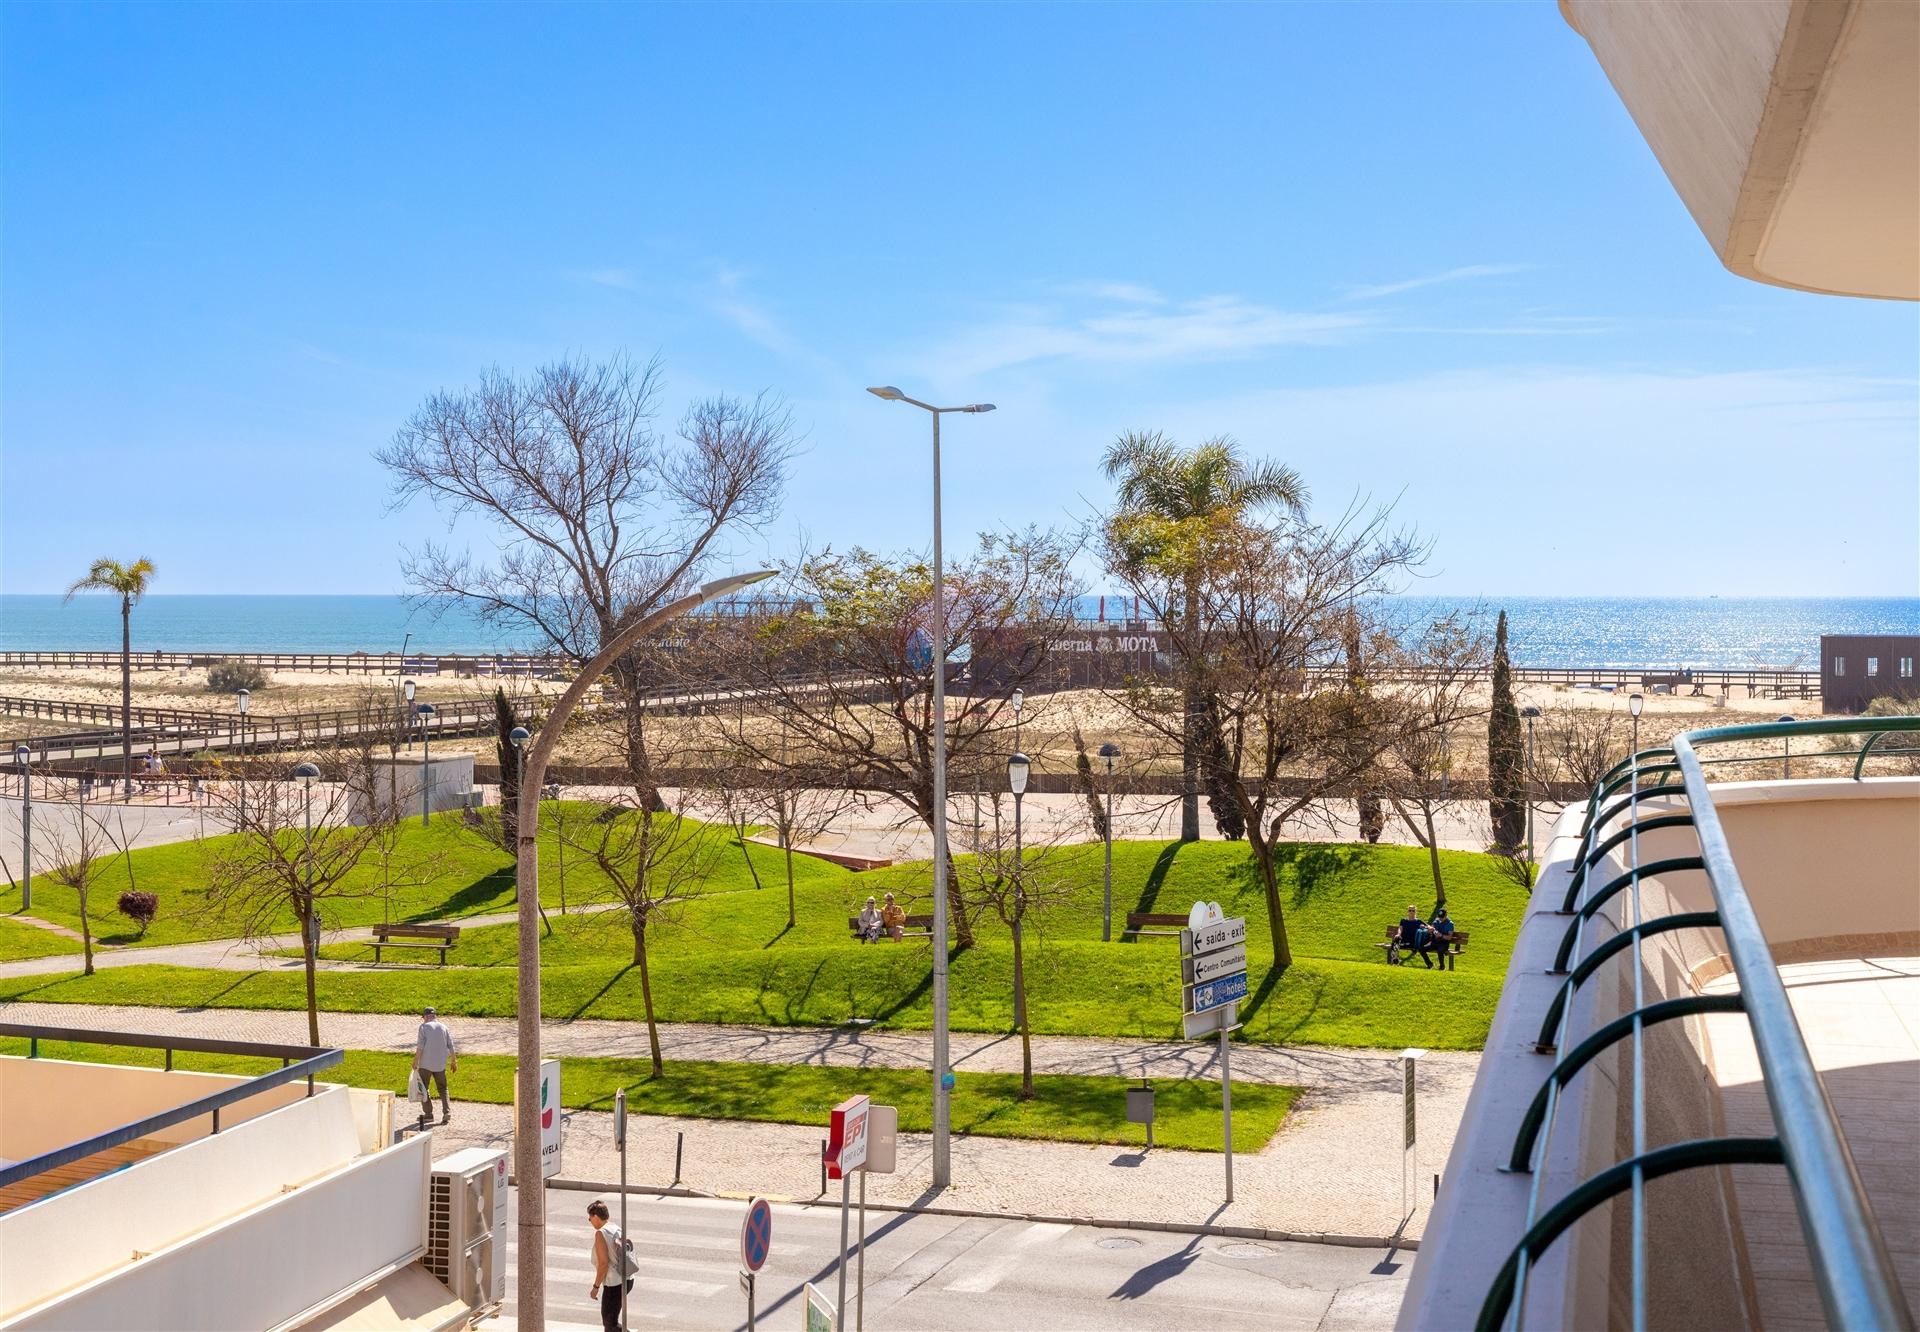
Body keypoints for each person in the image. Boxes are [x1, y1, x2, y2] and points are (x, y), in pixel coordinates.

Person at [587, 1199, 634, 1331]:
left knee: (610, 1323)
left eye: (590, 1218)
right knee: (611, 1322)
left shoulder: (600, 1233)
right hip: (627, 1279)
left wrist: (596, 1286)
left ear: (595, 1216)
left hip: (614, 1283)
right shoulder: (616, 1228)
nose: (589, 1221)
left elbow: (603, 1264)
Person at [412, 1005, 457, 1126]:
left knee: (423, 1088)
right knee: (443, 1088)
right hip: (440, 1064)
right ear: (435, 1016)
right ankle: (447, 1112)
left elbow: (420, 1047)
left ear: (426, 1017)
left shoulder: (423, 1027)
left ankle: (428, 1114)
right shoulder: (444, 1027)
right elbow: (451, 1045)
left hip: (425, 1064)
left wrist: (415, 1061)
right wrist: (454, 1061)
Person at [1396, 904, 1434, 969]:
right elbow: (1400, 928)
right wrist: (1398, 934)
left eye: (1413, 911)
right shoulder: (1403, 920)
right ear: (1407, 912)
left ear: (1415, 912)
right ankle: (1394, 960)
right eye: (1410, 910)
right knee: (1395, 942)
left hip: (1413, 942)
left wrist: (1424, 927)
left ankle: (1429, 964)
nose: (1411, 912)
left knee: (1420, 948)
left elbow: (1431, 928)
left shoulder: (1418, 921)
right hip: (1404, 940)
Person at [1430, 906, 1458, 971]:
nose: (1440, 919)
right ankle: (1429, 964)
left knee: (1440, 951)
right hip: (1435, 941)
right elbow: (1432, 929)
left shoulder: (1450, 924)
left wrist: (1441, 935)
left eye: (1442, 917)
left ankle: (1442, 966)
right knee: (1421, 949)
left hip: (1444, 943)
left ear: (1446, 915)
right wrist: (1431, 930)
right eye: (1439, 917)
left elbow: (1449, 937)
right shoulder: (1436, 921)